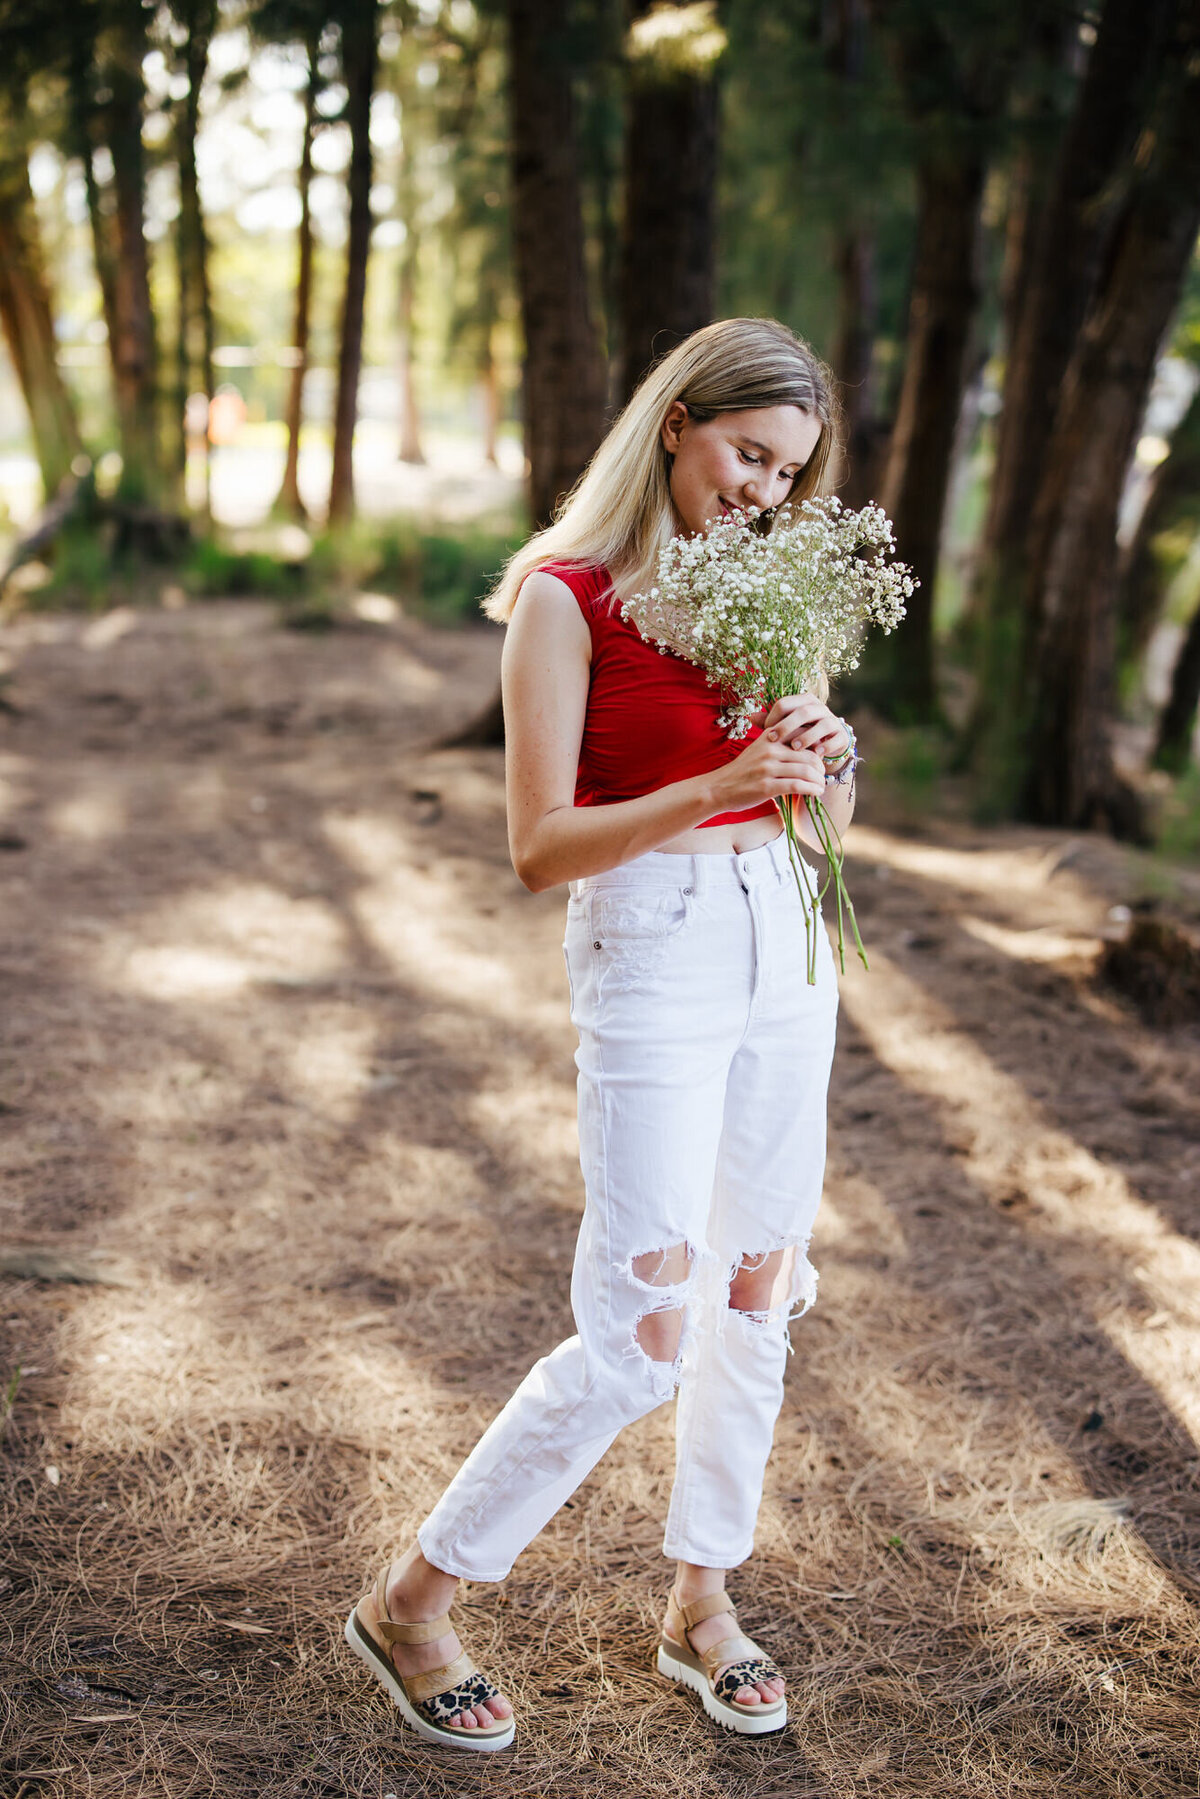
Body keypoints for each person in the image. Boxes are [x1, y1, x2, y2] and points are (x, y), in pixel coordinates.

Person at [344, 317, 856, 1750]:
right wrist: (721, 784)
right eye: (749, 456)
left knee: (757, 1292)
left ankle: (703, 1603)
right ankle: (415, 1599)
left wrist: (823, 770)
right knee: (641, 1332)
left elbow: (820, 819)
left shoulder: (777, 583)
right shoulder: (565, 599)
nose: (762, 492)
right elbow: (538, 847)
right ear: (679, 421)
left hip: (789, 940)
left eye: (789, 475)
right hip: (653, 942)